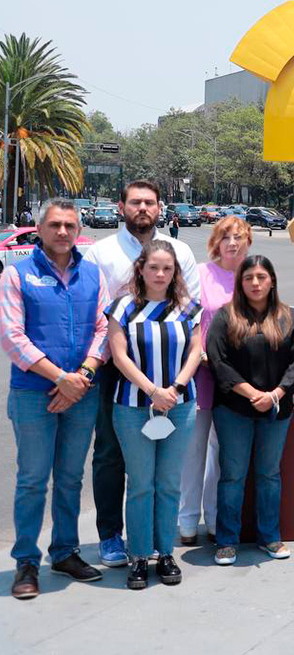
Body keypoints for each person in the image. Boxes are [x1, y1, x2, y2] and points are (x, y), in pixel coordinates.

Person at [84, 180, 201, 568]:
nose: (143, 208)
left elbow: (190, 310)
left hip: (170, 375)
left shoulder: (180, 250)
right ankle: (111, 536)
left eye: (149, 202)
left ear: (160, 206)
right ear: (121, 207)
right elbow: (97, 315)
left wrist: (174, 384)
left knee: (161, 472)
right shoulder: (101, 252)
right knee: (110, 456)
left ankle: (155, 541)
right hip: (116, 369)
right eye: (135, 202)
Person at [2, 200, 109, 599]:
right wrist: (60, 378)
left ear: (77, 229)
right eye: (55, 225)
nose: (62, 232)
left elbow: (103, 328)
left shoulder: (92, 274)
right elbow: (13, 337)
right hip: (34, 394)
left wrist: (81, 376)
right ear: (39, 228)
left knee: (70, 478)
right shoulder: (18, 275)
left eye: (69, 225)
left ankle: (65, 552)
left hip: (83, 391)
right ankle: (26, 563)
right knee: (32, 481)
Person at [106, 240, 203, 589]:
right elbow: (119, 357)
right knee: (141, 485)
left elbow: (196, 351)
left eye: (167, 268)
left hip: (179, 406)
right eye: (153, 267)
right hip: (134, 407)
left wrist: (174, 389)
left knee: (168, 484)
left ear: (175, 271)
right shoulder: (123, 308)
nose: (160, 274)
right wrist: (152, 391)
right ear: (141, 269)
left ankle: (164, 553)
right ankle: (138, 556)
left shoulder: (189, 308)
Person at [207, 255, 294, 565]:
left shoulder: (289, 317)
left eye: (261, 277)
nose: (255, 283)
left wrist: (275, 395)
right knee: (233, 475)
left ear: (272, 281)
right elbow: (218, 360)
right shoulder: (226, 317)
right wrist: (252, 394)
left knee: (269, 474)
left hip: (276, 410)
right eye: (249, 277)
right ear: (240, 282)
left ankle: (269, 537)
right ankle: (226, 541)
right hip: (234, 410)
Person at [178, 216, 253, 545]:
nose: (233, 243)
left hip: (235, 381)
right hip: (200, 373)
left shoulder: (253, 278)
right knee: (193, 450)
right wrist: (201, 355)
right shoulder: (199, 273)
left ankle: (215, 516)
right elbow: (185, 320)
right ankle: (187, 520)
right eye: (226, 238)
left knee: (223, 453)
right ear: (216, 242)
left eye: (238, 237)